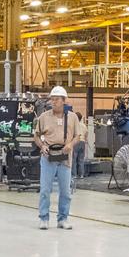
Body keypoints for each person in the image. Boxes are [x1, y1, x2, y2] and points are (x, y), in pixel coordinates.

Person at [34, 85, 85, 230]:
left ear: (64, 101)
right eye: (52, 99)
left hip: (64, 158)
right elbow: (36, 136)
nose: (53, 102)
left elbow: (78, 136)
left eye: (56, 99)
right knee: (45, 190)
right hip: (48, 157)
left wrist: (70, 145)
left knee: (65, 191)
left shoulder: (73, 118)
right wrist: (42, 146)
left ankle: (63, 218)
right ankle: (44, 218)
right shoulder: (44, 117)